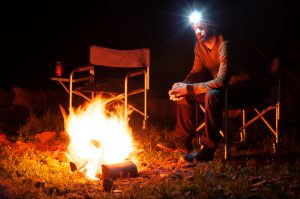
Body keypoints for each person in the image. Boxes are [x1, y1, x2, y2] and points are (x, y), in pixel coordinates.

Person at [157, 12, 270, 162]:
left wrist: (189, 88)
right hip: (227, 89)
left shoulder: (225, 45)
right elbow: (196, 72)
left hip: (249, 89)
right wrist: (182, 86)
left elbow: (221, 81)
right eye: (195, 28)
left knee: (212, 94)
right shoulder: (199, 46)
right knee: (185, 93)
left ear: (212, 25)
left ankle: (208, 149)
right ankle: (183, 144)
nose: (198, 32)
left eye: (201, 28)